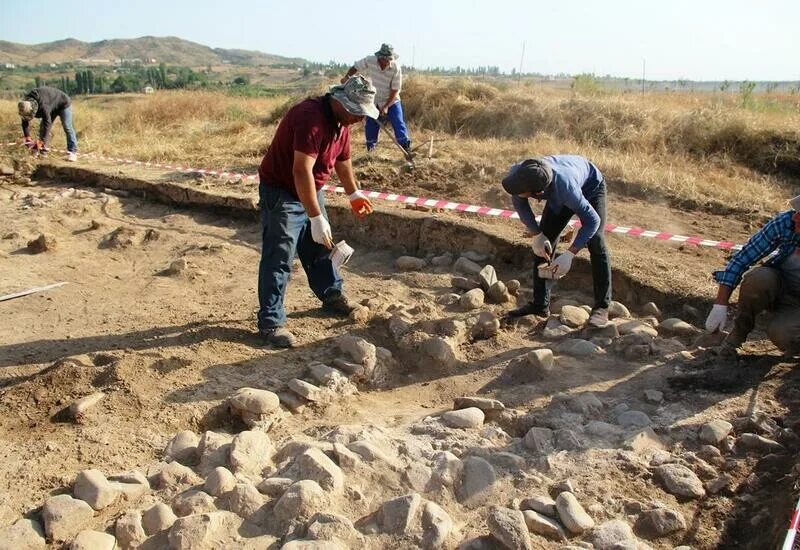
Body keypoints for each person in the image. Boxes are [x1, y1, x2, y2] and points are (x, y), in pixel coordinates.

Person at [257, 76, 377, 348]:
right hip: (282, 191)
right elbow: (301, 170)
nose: (360, 119)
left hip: (310, 188)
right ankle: (270, 323)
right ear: (340, 102)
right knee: (280, 256)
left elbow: (343, 160)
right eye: (357, 112)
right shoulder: (310, 117)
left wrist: (353, 193)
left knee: (320, 247)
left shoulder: (341, 122)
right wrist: (315, 216)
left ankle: (331, 294)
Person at [502, 155, 612, 327]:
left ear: (538, 193)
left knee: (596, 241)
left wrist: (570, 253)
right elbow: (520, 203)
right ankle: (540, 305)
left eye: (522, 192)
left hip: (591, 185)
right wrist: (537, 234)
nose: (517, 193)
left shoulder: (565, 189)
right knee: (545, 239)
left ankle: (602, 307)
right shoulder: (519, 174)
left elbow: (593, 221)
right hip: (559, 186)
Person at [705, 195, 800, 356]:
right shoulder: (786, 222)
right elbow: (742, 259)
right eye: (798, 211)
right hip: (782, 288)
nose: (795, 217)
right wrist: (720, 304)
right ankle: (738, 334)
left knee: (782, 334)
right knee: (759, 278)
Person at [341, 43, 411, 153]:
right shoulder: (370, 60)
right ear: (379, 57)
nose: (386, 62)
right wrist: (347, 77)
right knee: (371, 125)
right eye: (383, 59)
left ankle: (406, 148)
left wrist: (386, 106)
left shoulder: (396, 68)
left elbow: (395, 90)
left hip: (392, 100)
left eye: (388, 59)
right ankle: (371, 150)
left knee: (398, 122)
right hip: (374, 100)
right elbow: (355, 67)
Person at [18, 86, 78, 161]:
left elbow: (47, 122)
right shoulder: (25, 106)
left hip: (63, 103)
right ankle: (42, 151)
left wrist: (42, 141)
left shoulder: (43, 105)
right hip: (51, 105)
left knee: (67, 126)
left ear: (33, 109)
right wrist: (27, 138)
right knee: (42, 128)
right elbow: (24, 122)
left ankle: (72, 151)